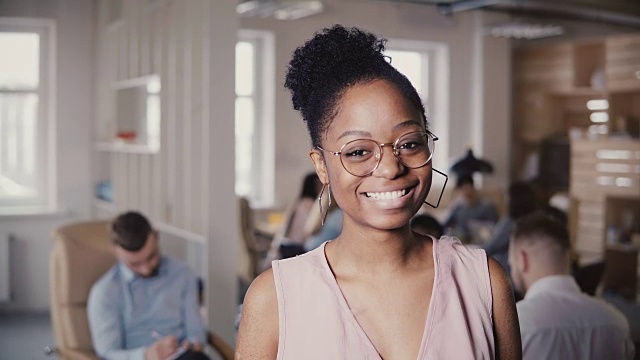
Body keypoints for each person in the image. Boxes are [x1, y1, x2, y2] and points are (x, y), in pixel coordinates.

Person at [236, 25, 520, 359]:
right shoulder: (274, 300)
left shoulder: (483, 283)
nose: (390, 168)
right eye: (358, 151)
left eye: (410, 143)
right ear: (321, 165)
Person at [509, 213, 634, 360]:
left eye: (511, 262)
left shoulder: (514, 326)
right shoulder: (616, 322)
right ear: (567, 257)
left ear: (522, 260)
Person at [88, 211, 209, 360]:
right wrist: (146, 355)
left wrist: (192, 343)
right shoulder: (105, 292)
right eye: (135, 264)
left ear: (157, 236)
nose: (146, 269)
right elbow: (108, 353)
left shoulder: (183, 274)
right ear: (115, 252)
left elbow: (195, 332)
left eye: (151, 256)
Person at [483, 181, 537, 274]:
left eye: (506, 197)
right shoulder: (534, 220)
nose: (505, 200)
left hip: (505, 273)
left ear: (514, 200)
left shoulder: (509, 223)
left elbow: (490, 248)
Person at [443, 174, 498, 242]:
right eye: (464, 189)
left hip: (481, 242)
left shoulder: (486, 206)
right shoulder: (456, 207)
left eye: (469, 188)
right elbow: (445, 226)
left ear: (473, 188)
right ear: (459, 191)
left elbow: (494, 228)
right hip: (462, 242)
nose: (468, 192)